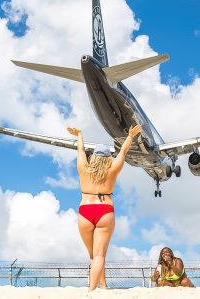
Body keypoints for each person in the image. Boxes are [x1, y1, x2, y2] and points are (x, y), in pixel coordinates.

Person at [67, 124, 142, 292]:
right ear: (108, 158)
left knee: (94, 255)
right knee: (99, 254)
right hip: (104, 210)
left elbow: (80, 151)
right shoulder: (112, 170)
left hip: (85, 211)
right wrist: (130, 136)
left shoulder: (83, 169)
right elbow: (122, 153)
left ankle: (103, 286)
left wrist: (79, 134)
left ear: (93, 157)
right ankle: (91, 291)